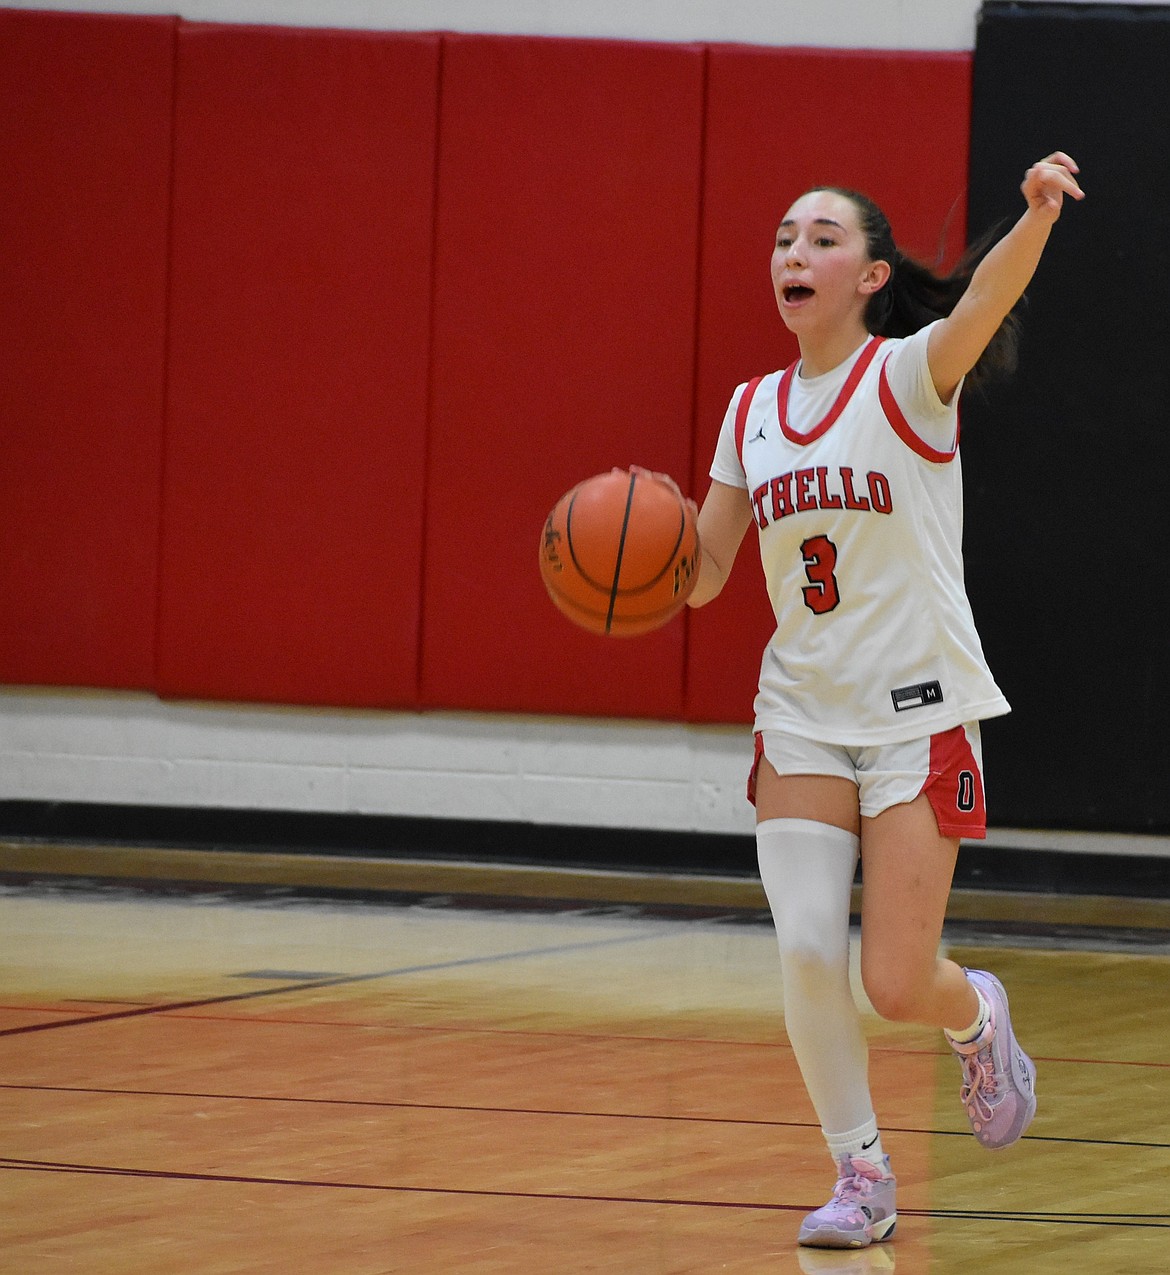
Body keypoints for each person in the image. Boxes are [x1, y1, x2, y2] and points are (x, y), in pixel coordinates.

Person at [686, 153, 1084, 1249]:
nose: (794, 255)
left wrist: (1036, 212)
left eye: (820, 239)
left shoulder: (908, 378)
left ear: (868, 274)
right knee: (808, 950)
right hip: (804, 712)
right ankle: (860, 1172)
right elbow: (704, 571)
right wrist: (628, 560)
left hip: (918, 711)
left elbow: (988, 294)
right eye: (781, 239)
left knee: (897, 983)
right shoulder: (750, 409)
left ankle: (977, 1017)